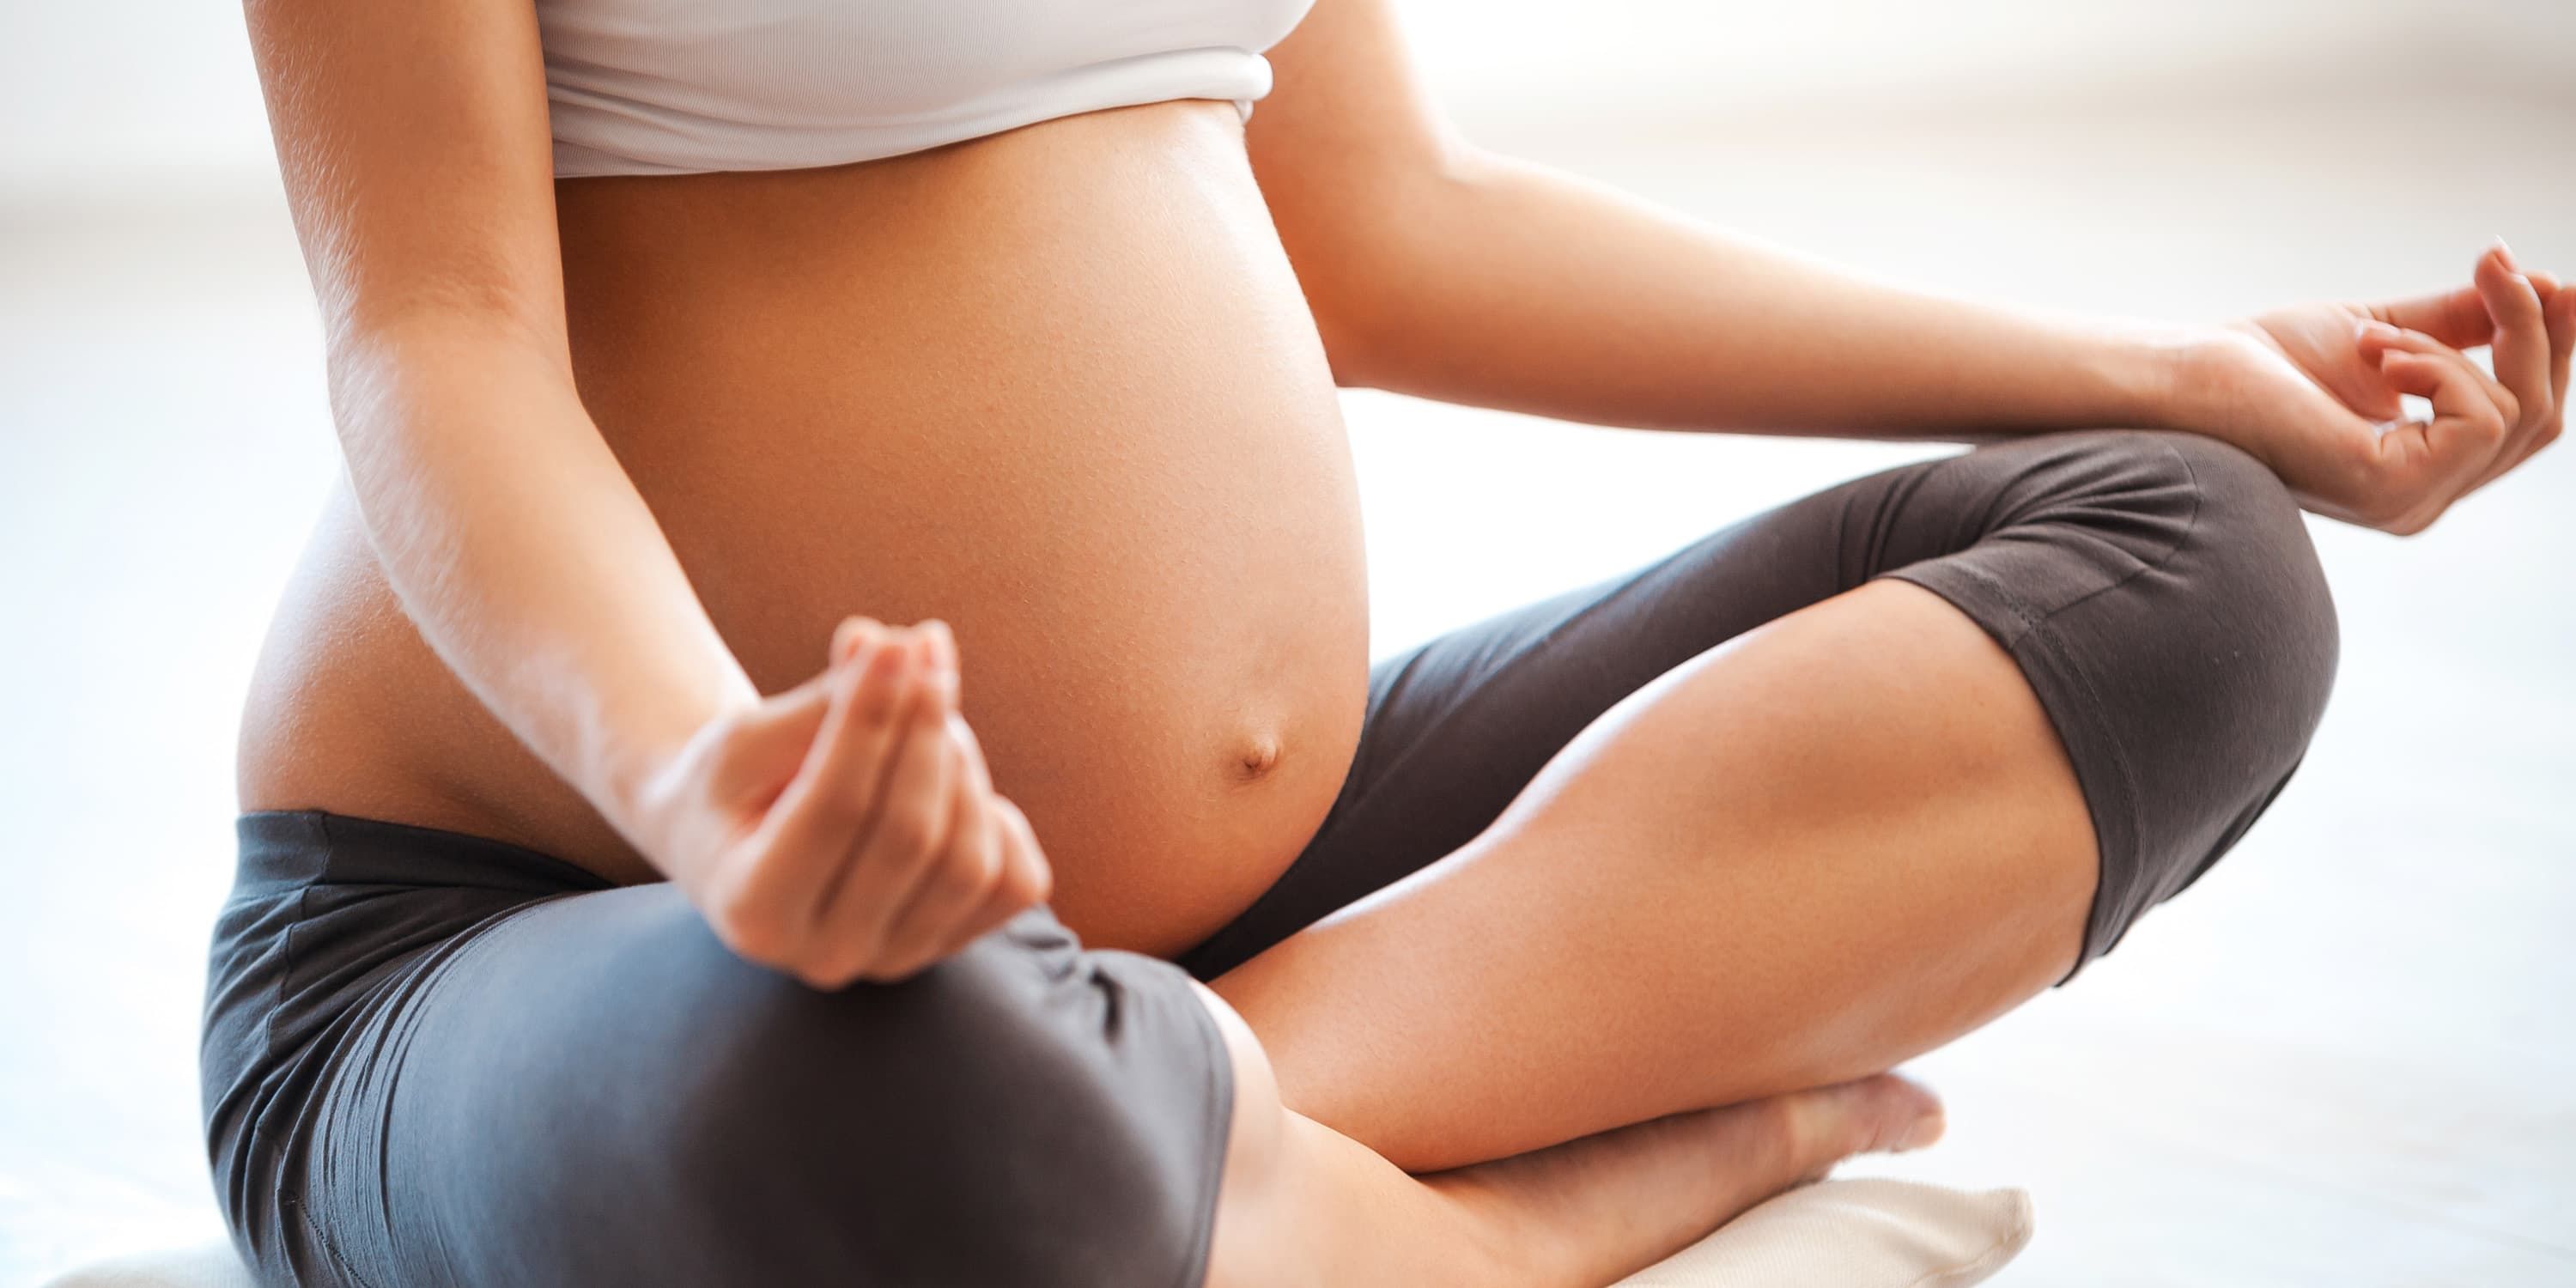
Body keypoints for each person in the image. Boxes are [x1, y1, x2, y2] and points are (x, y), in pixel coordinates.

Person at [201, 0, 2572, 1284]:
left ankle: (1160, 1116)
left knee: (2195, 569)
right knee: (881, 1069)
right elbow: (435, 338)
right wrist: (707, 779)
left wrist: (2169, 375)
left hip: (1224, 891)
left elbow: (1385, 226)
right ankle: (1502, 1215)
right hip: (570, 922)